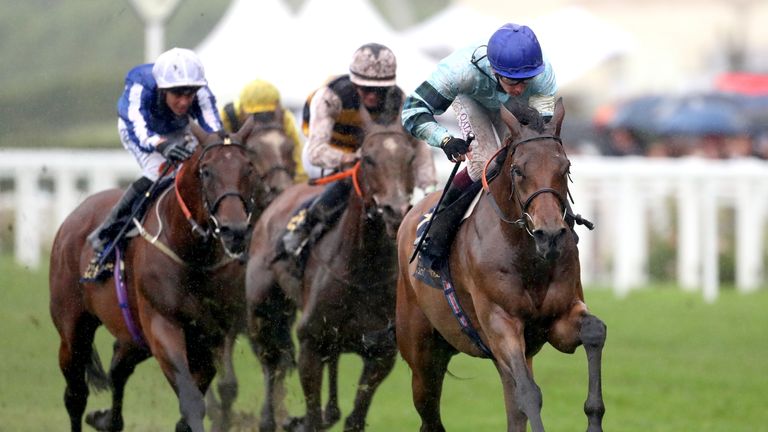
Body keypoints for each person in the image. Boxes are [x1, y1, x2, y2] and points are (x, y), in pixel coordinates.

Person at [401, 23, 558, 264]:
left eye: (525, 81)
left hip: (514, 110)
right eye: (512, 81)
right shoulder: (458, 71)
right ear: (495, 71)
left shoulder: (543, 73)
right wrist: (444, 139)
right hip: (472, 100)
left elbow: (542, 135)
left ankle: (556, 224)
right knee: (488, 164)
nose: (519, 88)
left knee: (535, 162)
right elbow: (412, 111)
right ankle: (438, 224)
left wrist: (532, 120)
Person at [282, 42, 438, 256]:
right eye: (366, 89)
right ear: (355, 83)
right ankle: (304, 225)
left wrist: (429, 187)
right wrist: (349, 158)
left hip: (373, 154)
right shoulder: (329, 97)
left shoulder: (398, 100)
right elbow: (315, 151)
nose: (373, 96)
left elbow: (417, 144)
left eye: (380, 90)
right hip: (327, 152)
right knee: (349, 182)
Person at [86, 47, 222, 272]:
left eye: (190, 94)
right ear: (162, 89)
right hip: (139, 131)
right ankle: (106, 234)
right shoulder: (141, 86)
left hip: (178, 129)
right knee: (160, 171)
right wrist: (163, 145)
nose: (184, 102)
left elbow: (213, 128)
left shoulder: (201, 92)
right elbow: (139, 129)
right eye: (178, 94)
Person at [219, 78, 307, 182]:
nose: (263, 119)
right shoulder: (227, 117)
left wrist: (300, 181)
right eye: (256, 115)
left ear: (277, 107)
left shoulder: (285, 118)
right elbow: (220, 146)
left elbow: (297, 151)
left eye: (268, 113)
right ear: (242, 109)